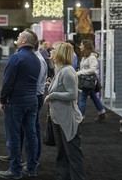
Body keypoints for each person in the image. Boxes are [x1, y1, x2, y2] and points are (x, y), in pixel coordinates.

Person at [0, 40, 48, 168]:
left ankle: (28, 163)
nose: (17, 40)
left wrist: (4, 99)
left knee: (27, 132)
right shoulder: (35, 59)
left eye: (20, 37)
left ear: (26, 41)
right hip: (32, 97)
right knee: (26, 132)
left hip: (27, 98)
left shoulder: (33, 59)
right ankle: (24, 161)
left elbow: (9, 81)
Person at [44, 42, 86, 180]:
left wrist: (52, 95)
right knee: (61, 153)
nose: (51, 51)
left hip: (68, 120)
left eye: (54, 49)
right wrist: (52, 87)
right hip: (59, 119)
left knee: (73, 155)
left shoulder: (67, 71)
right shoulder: (60, 69)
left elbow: (72, 95)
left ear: (60, 53)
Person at [76, 40, 107, 121]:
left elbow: (93, 70)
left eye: (81, 45)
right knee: (93, 96)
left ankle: (81, 117)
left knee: (82, 98)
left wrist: (80, 72)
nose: (80, 46)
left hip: (89, 81)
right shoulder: (84, 56)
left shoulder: (92, 57)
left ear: (86, 47)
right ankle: (102, 112)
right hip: (86, 80)